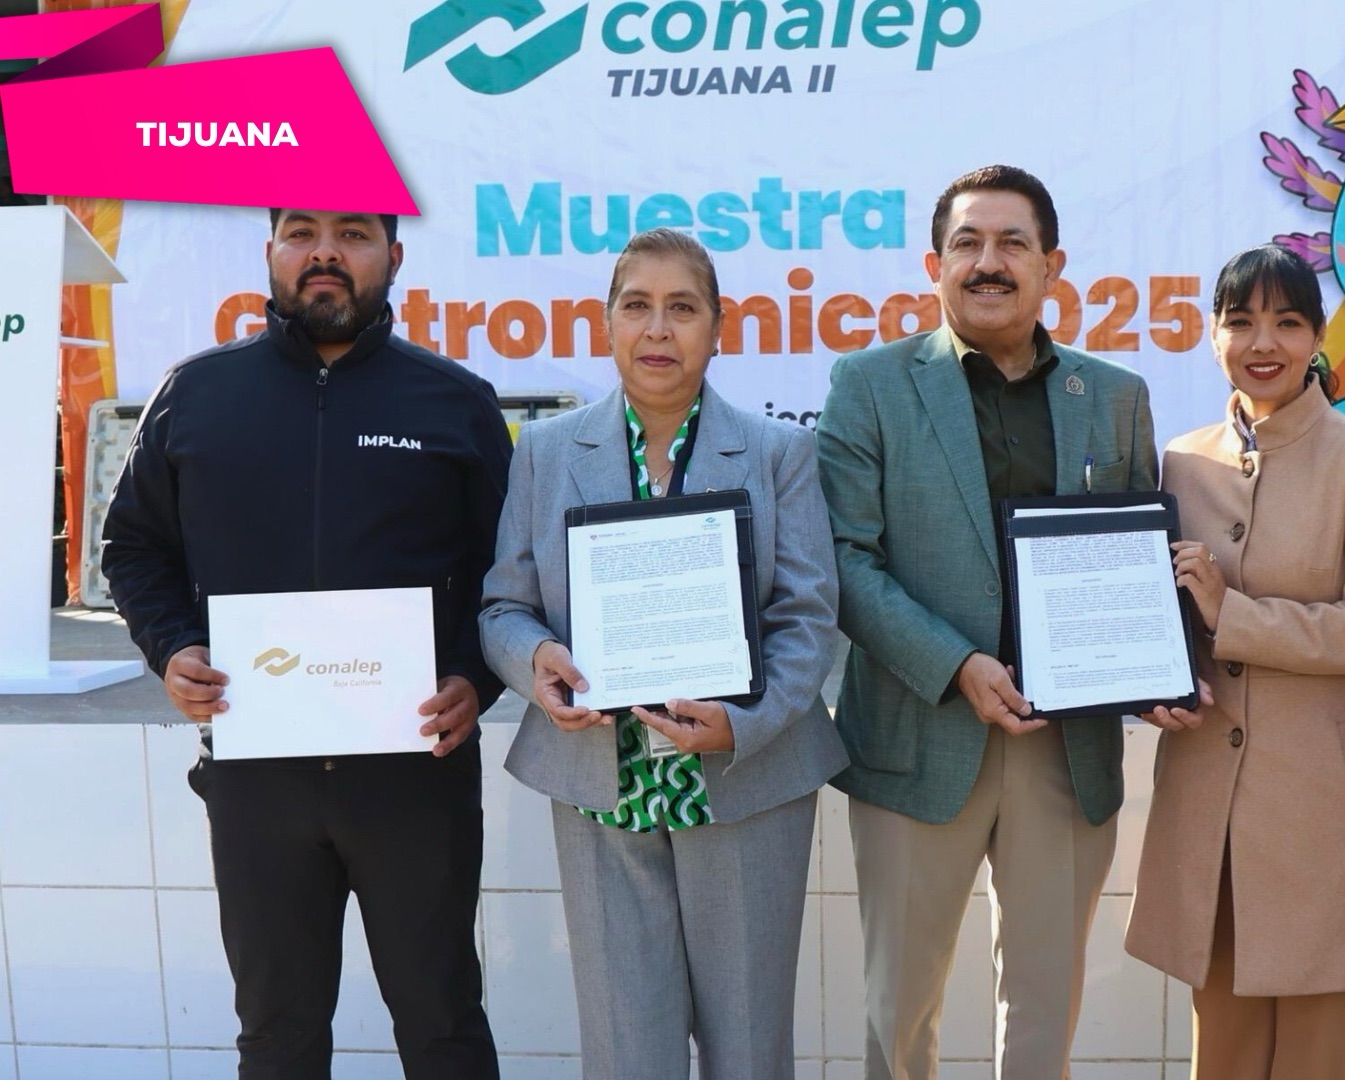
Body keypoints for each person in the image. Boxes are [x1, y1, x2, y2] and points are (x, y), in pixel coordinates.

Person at [102, 209, 508, 1078]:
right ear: (271, 252)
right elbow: (132, 548)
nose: (325, 251)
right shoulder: (195, 395)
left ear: (394, 256)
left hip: (416, 775)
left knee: (443, 1027)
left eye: (353, 232)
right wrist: (173, 648)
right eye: (302, 232)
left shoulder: (455, 403)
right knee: (277, 1037)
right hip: (258, 782)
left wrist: (476, 677)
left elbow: (508, 572)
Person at [816, 164, 1198, 1079]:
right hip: (918, 737)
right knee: (897, 1019)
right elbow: (844, 561)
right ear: (934, 266)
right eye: (968, 244)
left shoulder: (1116, 397)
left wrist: (1155, 674)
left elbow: (1135, 565)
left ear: (1051, 265)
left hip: (1065, 751)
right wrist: (956, 664)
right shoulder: (869, 384)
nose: (989, 262)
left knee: (1041, 1021)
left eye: (1012, 243)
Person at [479, 227, 846, 1080]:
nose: (657, 329)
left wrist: (742, 724)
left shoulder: (779, 453)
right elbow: (503, 607)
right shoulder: (545, 454)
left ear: (718, 328)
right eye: (636, 306)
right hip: (603, 790)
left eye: (682, 308)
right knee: (626, 1052)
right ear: (606, 323)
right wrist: (537, 660)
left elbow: (807, 618)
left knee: (748, 1049)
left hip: (746, 781)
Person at [1124, 244, 1345, 1080]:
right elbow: (1163, 623)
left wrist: (1233, 614)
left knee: (1321, 1060)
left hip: (1328, 811)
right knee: (1220, 1057)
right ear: (1211, 334)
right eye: (1241, 321)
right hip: (1208, 815)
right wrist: (1150, 683)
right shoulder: (1182, 460)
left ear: (1317, 338)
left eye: (1288, 323)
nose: (1264, 342)